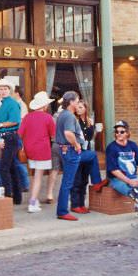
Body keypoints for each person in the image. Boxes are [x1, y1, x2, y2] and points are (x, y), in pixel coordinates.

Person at [55, 91, 104, 221]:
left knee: (91, 156)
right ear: (71, 102)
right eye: (76, 101)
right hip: (71, 151)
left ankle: (96, 183)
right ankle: (62, 211)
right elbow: (68, 133)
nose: (78, 103)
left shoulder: (63, 114)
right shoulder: (69, 116)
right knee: (68, 182)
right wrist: (76, 145)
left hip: (66, 150)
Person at [18, 91, 55, 212]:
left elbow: (20, 133)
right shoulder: (48, 118)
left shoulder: (27, 117)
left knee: (34, 175)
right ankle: (33, 202)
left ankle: (34, 199)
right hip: (42, 149)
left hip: (29, 149)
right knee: (38, 176)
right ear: (44, 106)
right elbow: (53, 135)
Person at [0, 79, 23, 205]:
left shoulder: (12, 103)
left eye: (5, 89)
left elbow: (15, 121)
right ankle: (16, 197)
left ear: (9, 90)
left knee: (4, 167)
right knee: (11, 167)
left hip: (10, 137)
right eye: (1, 89)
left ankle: (8, 196)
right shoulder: (4, 103)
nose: (3, 91)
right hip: (7, 136)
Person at [71, 100, 98, 213]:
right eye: (77, 107)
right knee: (76, 179)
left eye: (81, 107)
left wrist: (95, 129)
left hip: (87, 151)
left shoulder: (89, 121)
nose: (78, 109)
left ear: (86, 109)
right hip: (77, 151)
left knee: (84, 180)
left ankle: (82, 204)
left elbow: (90, 138)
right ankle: (75, 204)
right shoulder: (74, 121)